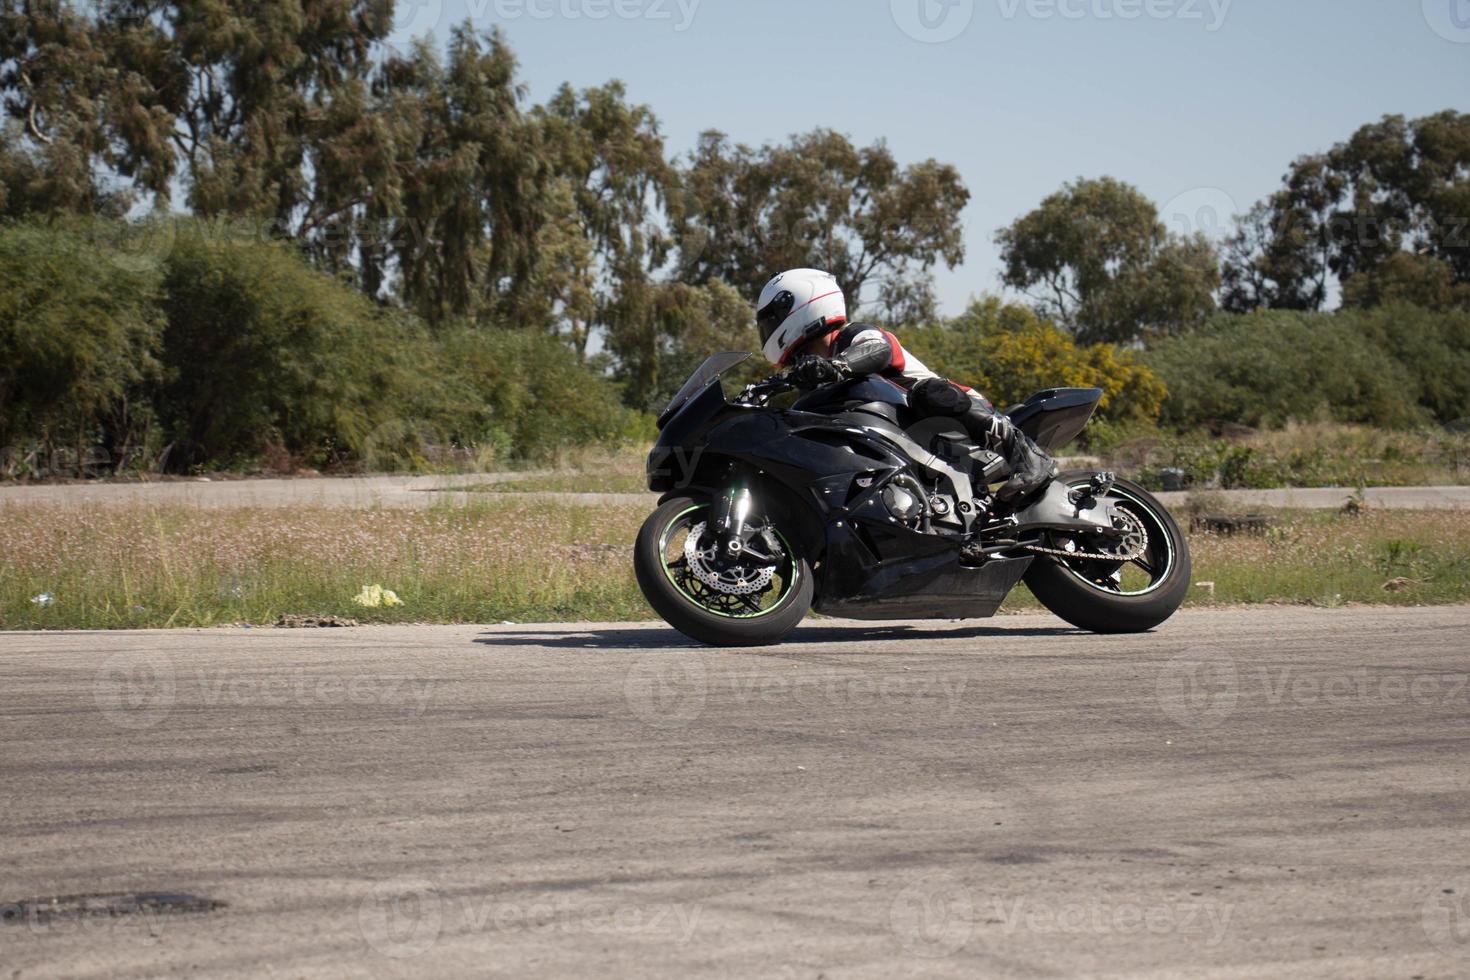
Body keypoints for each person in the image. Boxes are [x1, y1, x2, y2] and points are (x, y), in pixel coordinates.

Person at [754, 268, 1056, 504]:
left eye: (770, 322)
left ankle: (1025, 453)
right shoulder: (817, 382)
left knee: (928, 392)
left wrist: (838, 366)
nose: (766, 332)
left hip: (950, 418)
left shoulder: (855, 336)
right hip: (910, 445)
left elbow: (878, 350)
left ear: (798, 306)